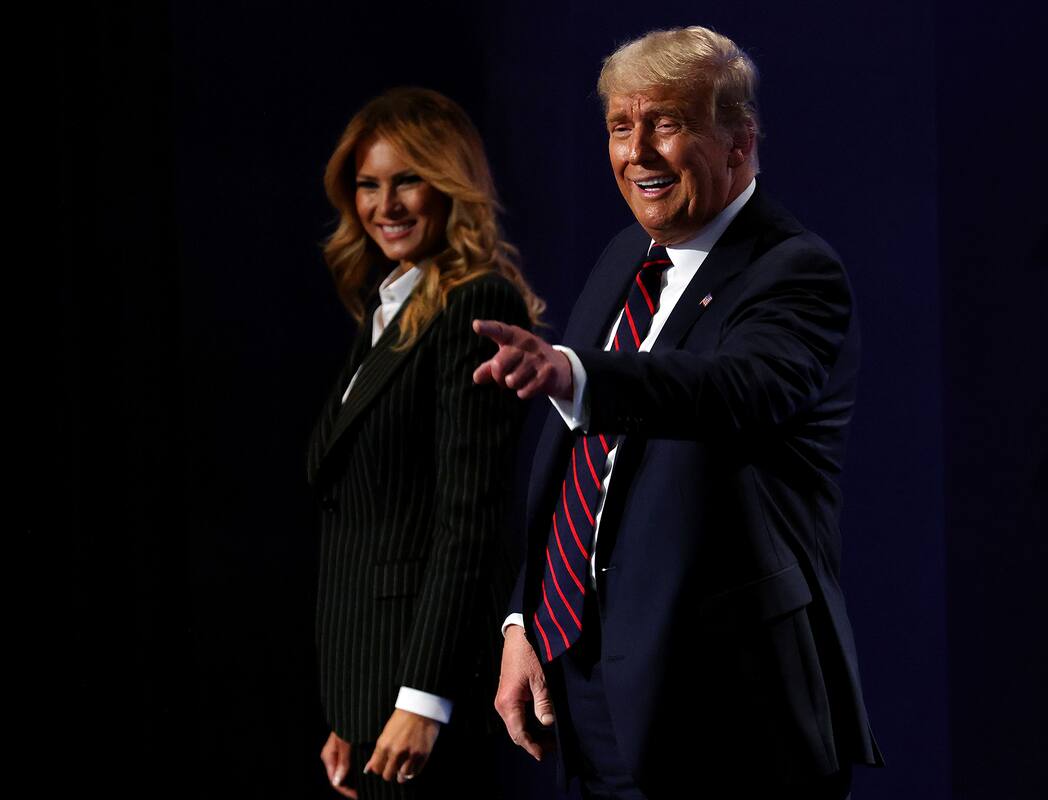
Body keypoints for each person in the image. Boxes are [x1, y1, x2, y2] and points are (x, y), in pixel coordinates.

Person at [473, 26, 883, 799]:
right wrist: (524, 618)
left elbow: (732, 389)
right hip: (587, 688)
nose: (638, 153)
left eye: (666, 123)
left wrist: (573, 372)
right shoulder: (624, 256)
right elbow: (580, 471)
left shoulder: (796, 270)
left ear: (740, 141)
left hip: (726, 708)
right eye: (619, 127)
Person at [307, 87, 545, 799]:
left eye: (407, 179)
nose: (386, 205)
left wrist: (421, 699)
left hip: (429, 689)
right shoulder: (391, 308)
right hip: (371, 685)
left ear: (449, 184)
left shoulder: (476, 302)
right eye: (367, 185)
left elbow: (469, 520)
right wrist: (350, 708)